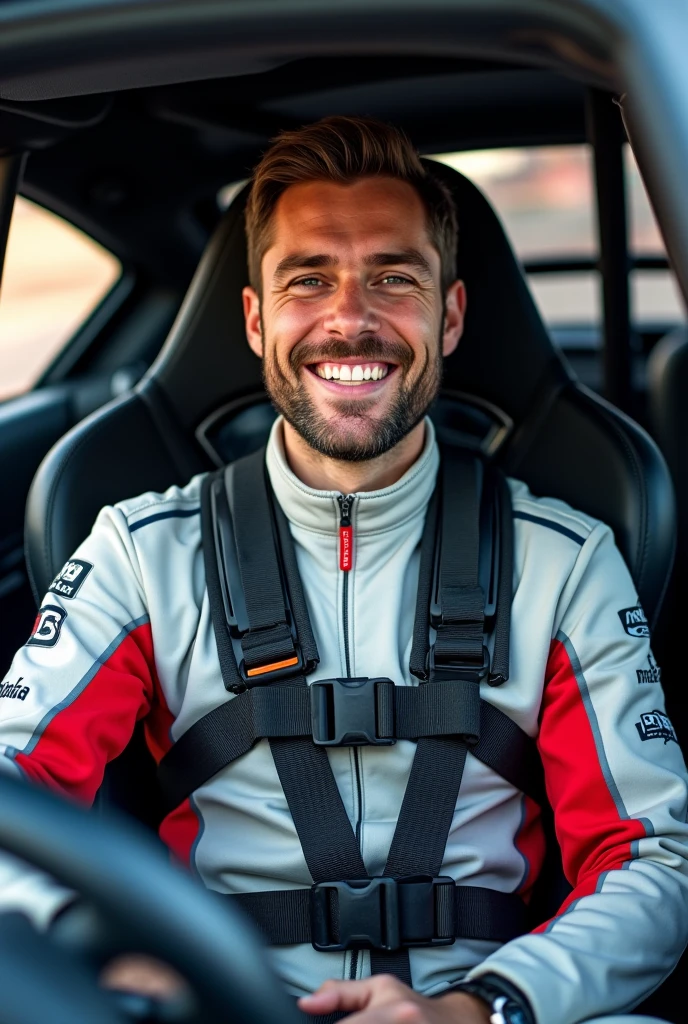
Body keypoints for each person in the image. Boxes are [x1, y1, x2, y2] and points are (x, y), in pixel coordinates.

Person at [1, 116, 687, 1024]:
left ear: (449, 315)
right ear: (255, 319)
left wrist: (489, 1007)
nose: (350, 318)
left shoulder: (565, 564)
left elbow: (654, 860)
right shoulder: (138, 553)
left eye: (394, 278)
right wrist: (105, 950)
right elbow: (11, 800)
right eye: (308, 279)